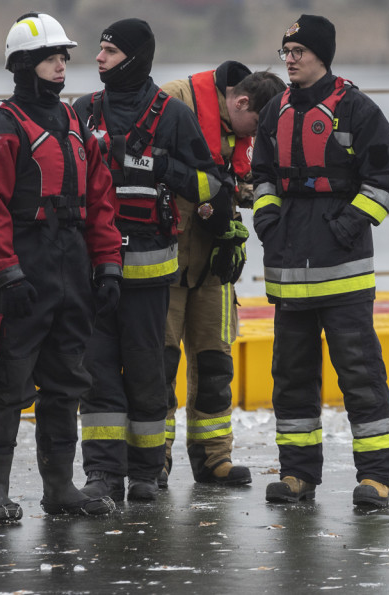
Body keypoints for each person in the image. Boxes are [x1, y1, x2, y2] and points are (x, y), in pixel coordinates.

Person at [0, 12, 123, 523]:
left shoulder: (73, 123)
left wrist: (108, 264)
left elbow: (100, 198)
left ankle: (60, 488)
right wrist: (5, 272)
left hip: (70, 272)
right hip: (20, 276)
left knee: (66, 384)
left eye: (63, 58)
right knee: (5, 388)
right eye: (51, 58)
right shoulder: (1, 129)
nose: (61, 66)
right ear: (24, 65)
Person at [73, 18, 233, 503]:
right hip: (96, 275)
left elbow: (213, 187)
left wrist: (165, 167)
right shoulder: (83, 111)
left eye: (109, 52)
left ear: (136, 58)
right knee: (97, 378)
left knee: (147, 375)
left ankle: (146, 472)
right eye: (99, 50)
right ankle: (102, 473)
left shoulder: (171, 117)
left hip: (150, 277)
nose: (99, 59)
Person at [251, 15, 389, 508]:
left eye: (297, 51)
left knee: (360, 377)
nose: (289, 59)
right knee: (291, 381)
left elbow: (385, 180)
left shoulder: (357, 109)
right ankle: (297, 476)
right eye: (285, 51)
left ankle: (376, 478)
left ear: (322, 55)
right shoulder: (274, 111)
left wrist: (346, 228)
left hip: (344, 275)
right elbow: (262, 177)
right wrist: (268, 221)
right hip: (289, 278)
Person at [159, 63, 286, 487]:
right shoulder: (175, 100)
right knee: (159, 365)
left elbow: (242, 182)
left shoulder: (242, 129)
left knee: (215, 365)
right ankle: (151, 460)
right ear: (241, 101)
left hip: (215, 265)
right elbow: (144, 165)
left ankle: (214, 458)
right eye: (255, 128)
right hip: (166, 261)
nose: (254, 139)